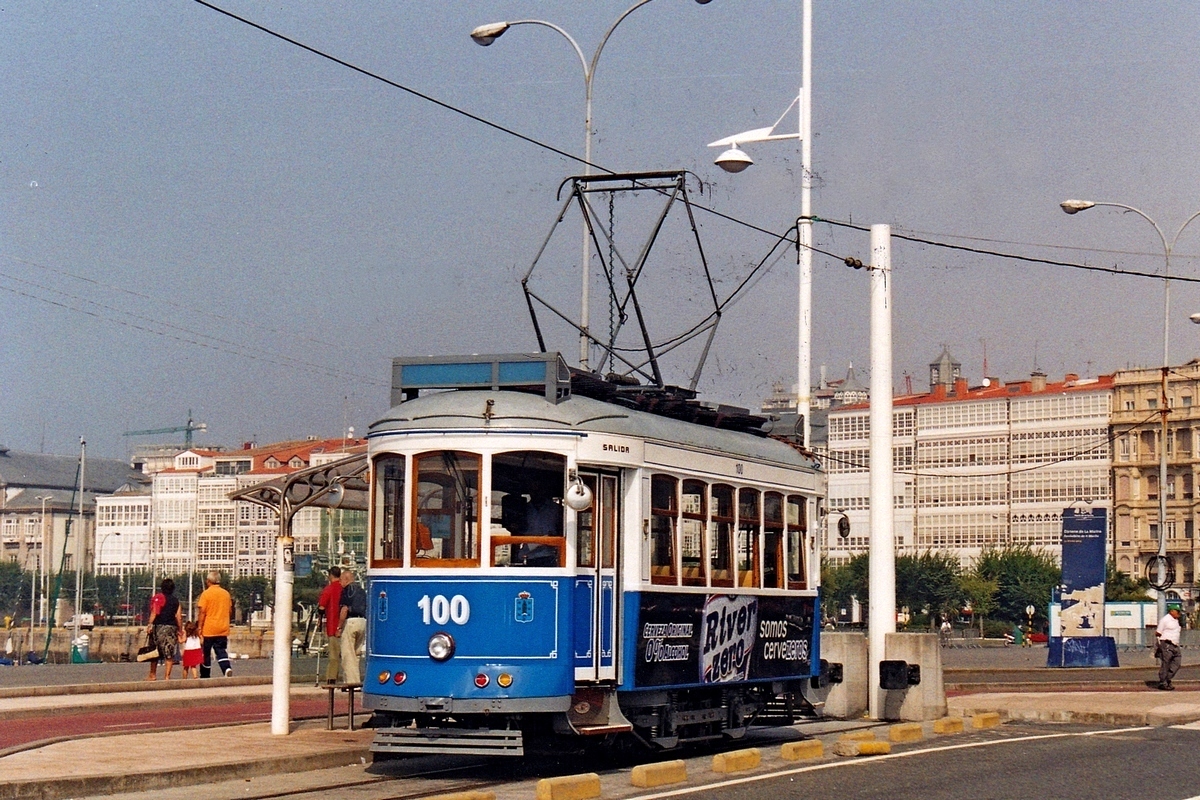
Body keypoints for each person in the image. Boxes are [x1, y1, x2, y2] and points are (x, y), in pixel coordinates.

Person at [197, 570, 234, 679]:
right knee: (221, 650)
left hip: (209, 628)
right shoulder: (226, 594)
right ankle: (226, 668)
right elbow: (230, 610)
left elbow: (202, 612)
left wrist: (199, 627)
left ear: (208, 581)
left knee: (205, 653)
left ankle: (205, 674)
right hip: (223, 628)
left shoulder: (206, 594)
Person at [146, 578, 183, 681]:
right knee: (169, 652)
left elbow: (154, 612)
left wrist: (149, 625)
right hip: (171, 627)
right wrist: (180, 630)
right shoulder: (176, 601)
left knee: (154, 651)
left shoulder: (159, 597)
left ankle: (152, 675)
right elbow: (179, 617)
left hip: (158, 626)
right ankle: (167, 676)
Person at [337, 568, 367, 686]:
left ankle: (351, 683)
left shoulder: (346, 591)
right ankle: (357, 680)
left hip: (351, 622)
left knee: (348, 655)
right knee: (357, 654)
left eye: (341, 580)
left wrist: (339, 627)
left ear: (346, 580)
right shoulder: (362, 591)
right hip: (363, 621)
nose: (340, 583)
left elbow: (344, 609)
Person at [317, 566, 343, 684]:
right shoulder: (343, 589)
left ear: (330, 575)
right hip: (344, 626)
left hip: (333, 626)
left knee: (333, 655)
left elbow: (321, 607)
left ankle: (331, 678)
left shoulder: (328, 589)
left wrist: (320, 619)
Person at [1156, 605, 1183, 691]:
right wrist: (1160, 644)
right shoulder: (1165, 620)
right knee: (1166, 663)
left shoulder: (1176, 620)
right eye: (1177, 611)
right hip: (1167, 643)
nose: (1179, 613)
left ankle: (1168, 678)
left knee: (1177, 662)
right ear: (1171, 611)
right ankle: (1163, 682)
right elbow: (1158, 632)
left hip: (1175, 644)